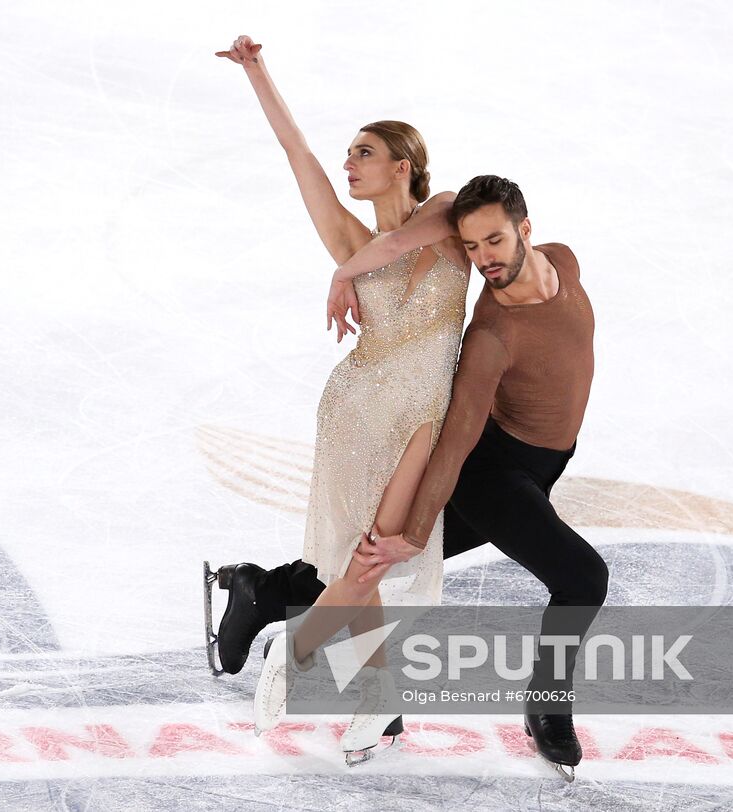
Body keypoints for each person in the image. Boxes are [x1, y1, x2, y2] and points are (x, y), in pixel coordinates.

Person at [226, 175, 610, 780]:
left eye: (494, 241)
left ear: (526, 230)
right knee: (583, 578)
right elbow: (455, 442)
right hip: (493, 475)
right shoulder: (492, 336)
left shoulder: (564, 262)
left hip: (546, 462)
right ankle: (547, 704)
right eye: (472, 247)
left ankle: (263, 592)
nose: (484, 259)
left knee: (372, 561)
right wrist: (418, 528)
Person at [212, 35, 469, 764]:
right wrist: (257, 71)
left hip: (422, 414)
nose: (348, 164)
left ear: (402, 165)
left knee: (372, 559)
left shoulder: (447, 212)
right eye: (349, 155)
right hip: (356, 410)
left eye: (363, 153)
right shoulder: (350, 238)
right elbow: (297, 154)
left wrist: (343, 273)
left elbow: (401, 245)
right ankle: (374, 699)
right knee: (362, 562)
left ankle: (290, 660)